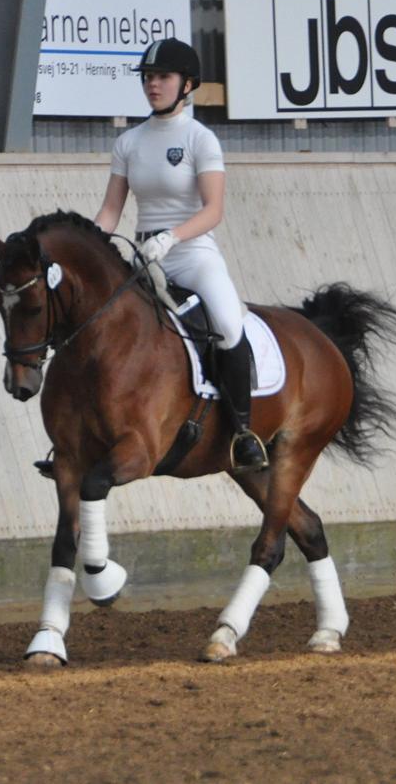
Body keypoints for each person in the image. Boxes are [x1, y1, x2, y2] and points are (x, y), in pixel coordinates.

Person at [93, 38, 268, 472]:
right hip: (142, 257)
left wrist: (170, 237)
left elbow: (214, 210)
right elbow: (111, 211)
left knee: (228, 324)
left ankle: (243, 432)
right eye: (148, 77)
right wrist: (89, 243)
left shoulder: (199, 139)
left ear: (187, 84)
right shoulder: (128, 142)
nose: (153, 84)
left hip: (191, 252)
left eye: (163, 77)